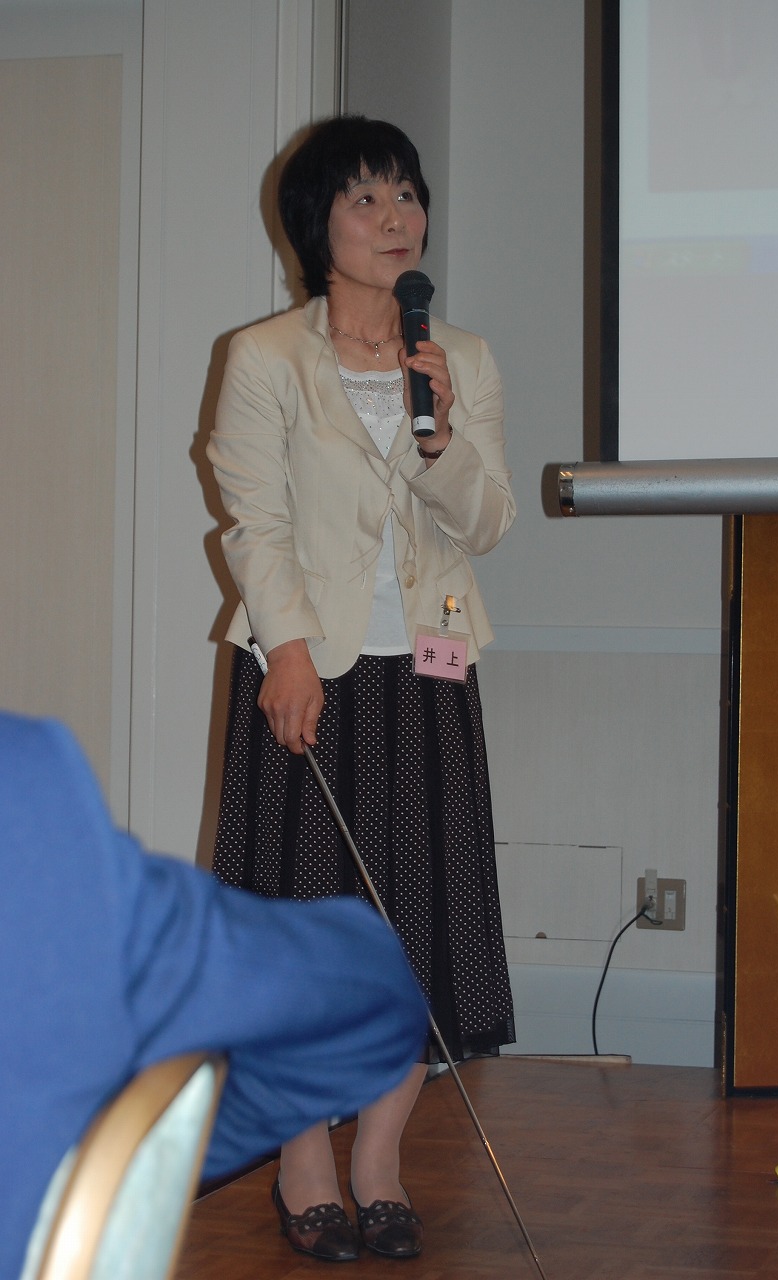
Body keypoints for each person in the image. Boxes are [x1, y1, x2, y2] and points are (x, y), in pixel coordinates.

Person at [207, 114, 516, 1261]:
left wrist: (441, 443)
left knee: (413, 925)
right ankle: (302, 1161)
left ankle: (378, 1161)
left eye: (407, 195)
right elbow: (255, 520)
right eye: (366, 198)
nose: (396, 218)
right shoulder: (264, 356)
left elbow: (486, 522)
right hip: (308, 670)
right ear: (316, 224)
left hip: (428, 668)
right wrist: (285, 648)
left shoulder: (460, 358)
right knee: (303, 931)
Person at [0, 711, 427, 1279]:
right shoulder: (21, 777)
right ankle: (303, 1163)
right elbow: (376, 991)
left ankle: (371, 1167)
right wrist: (155, 1146)